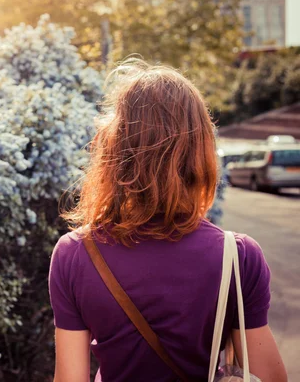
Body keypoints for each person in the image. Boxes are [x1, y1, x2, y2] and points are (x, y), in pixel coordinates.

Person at [49, 59, 287, 382]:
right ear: (200, 150)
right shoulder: (238, 257)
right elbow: (270, 377)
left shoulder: (75, 254)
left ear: (114, 149)